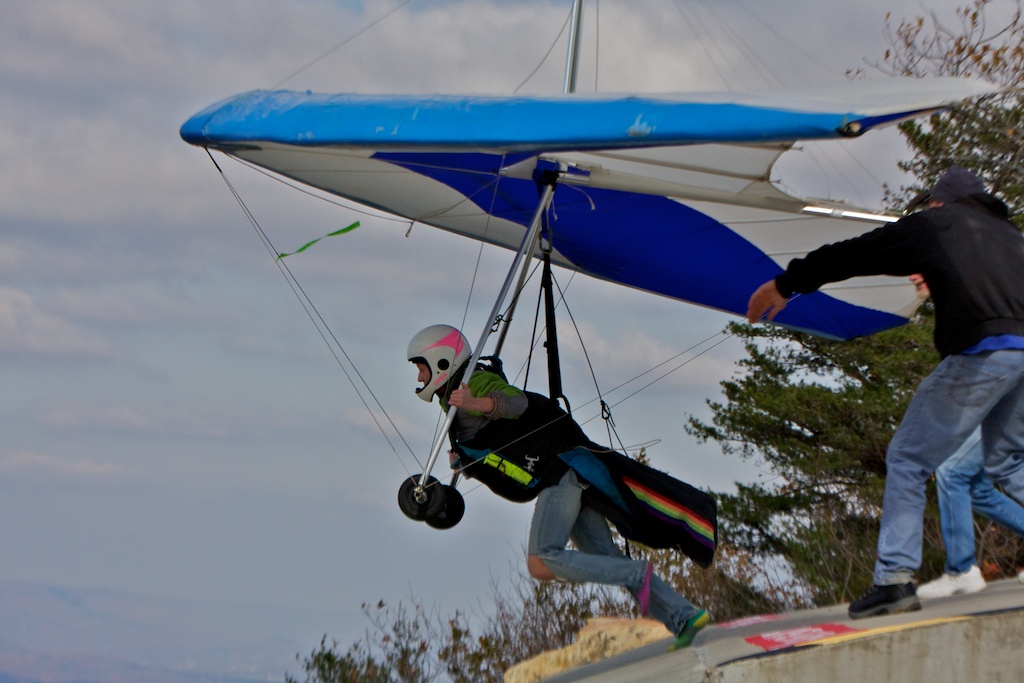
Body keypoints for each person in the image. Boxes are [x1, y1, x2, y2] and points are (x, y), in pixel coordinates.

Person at [746, 165, 1024, 619]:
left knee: (909, 459)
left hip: (983, 352)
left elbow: (857, 252)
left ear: (940, 201)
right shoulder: (1012, 236)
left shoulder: (936, 223)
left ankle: (894, 580)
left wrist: (786, 283)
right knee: (1008, 462)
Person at [407, 324, 709, 649]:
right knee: (604, 557)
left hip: (560, 474)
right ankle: (684, 617)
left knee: (541, 560)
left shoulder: (474, 382)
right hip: (563, 473)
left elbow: (517, 402)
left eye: (422, 368)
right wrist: (464, 462)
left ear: (441, 362)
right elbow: (497, 449)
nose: (420, 377)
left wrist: (476, 403)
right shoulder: (453, 401)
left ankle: (637, 573)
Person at [908, 276, 1024, 598]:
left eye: (919, 269)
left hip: (1010, 391)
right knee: (977, 487)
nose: (912, 276)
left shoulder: (972, 289)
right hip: (1003, 392)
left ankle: (961, 570)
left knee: (953, 471)